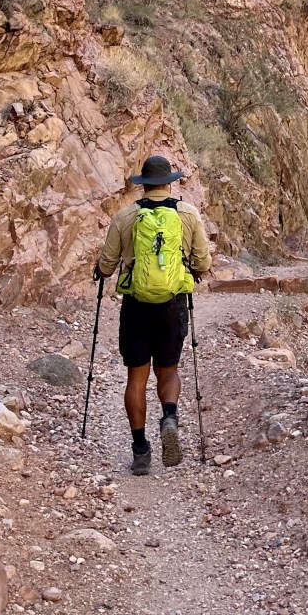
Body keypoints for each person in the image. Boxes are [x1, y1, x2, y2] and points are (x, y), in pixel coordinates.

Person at [95, 154, 212, 475]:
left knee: (137, 376)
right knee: (168, 369)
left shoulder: (125, 216)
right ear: (169, 182)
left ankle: (140, 450)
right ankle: (170, 417)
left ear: (143, 184)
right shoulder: (188, 215)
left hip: (136, 305)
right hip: (172, 305)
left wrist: (101, 268)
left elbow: (106, 266)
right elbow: (203, 263)